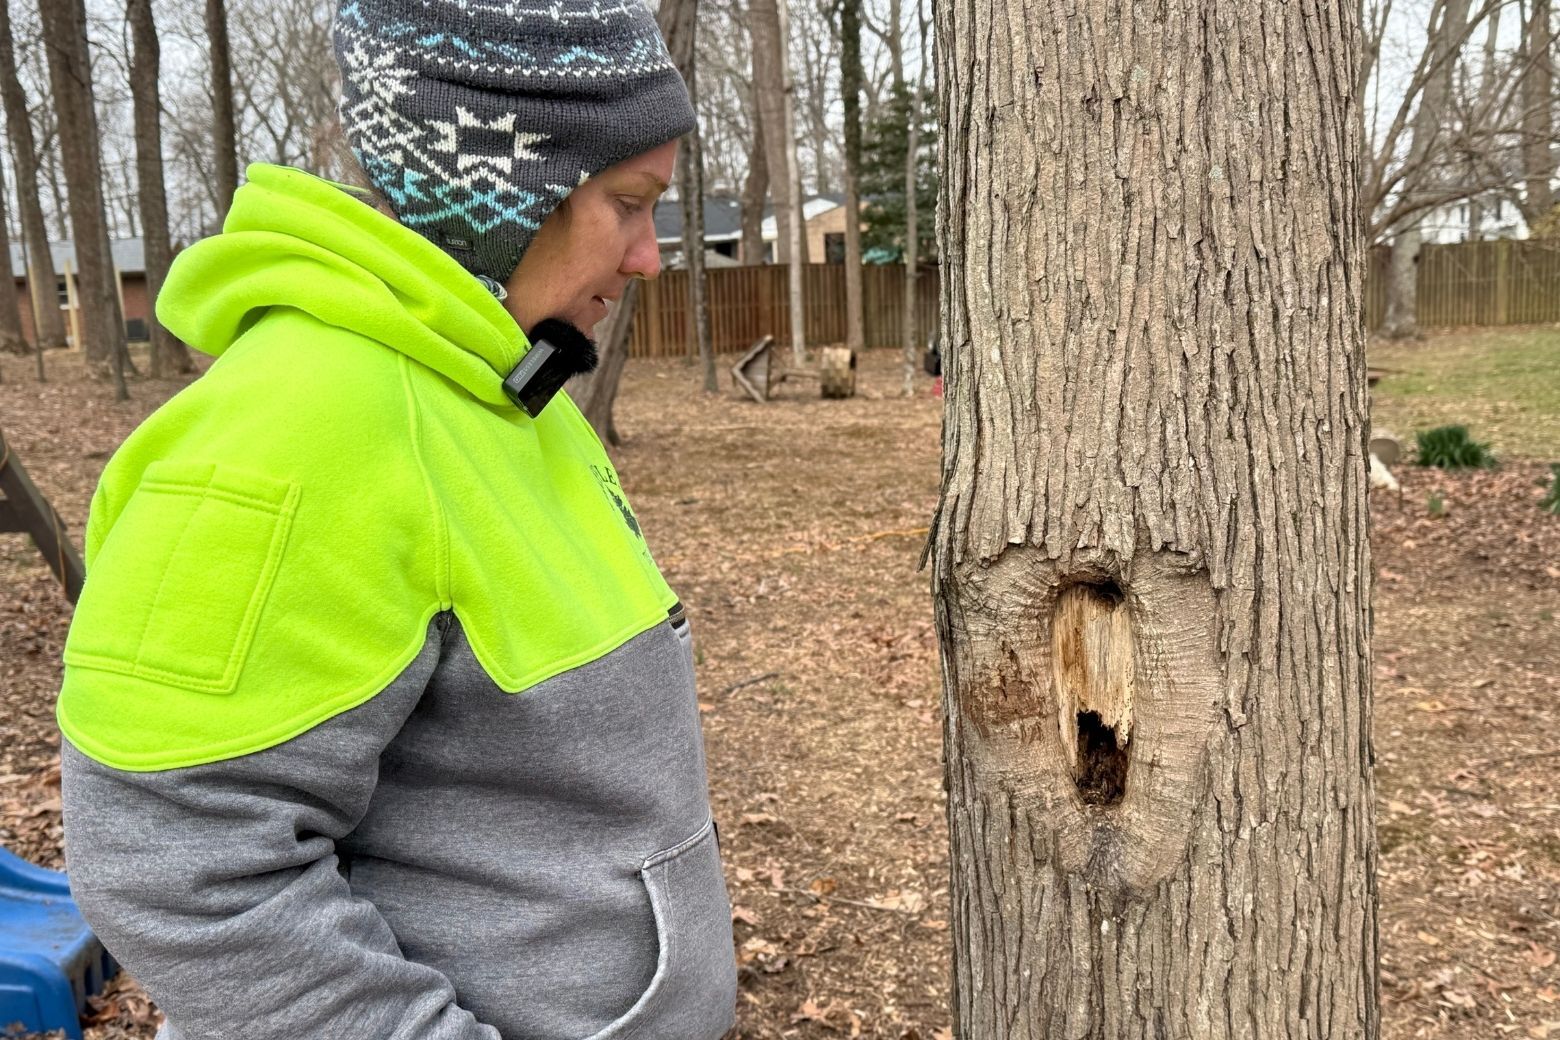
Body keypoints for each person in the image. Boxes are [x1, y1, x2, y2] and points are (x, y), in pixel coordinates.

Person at [56, 2, 737, 1038]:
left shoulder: (498, 386)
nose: (649, 257)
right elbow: (182, 867)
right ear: (501, 194)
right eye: (629, 204)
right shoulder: (301, 427)